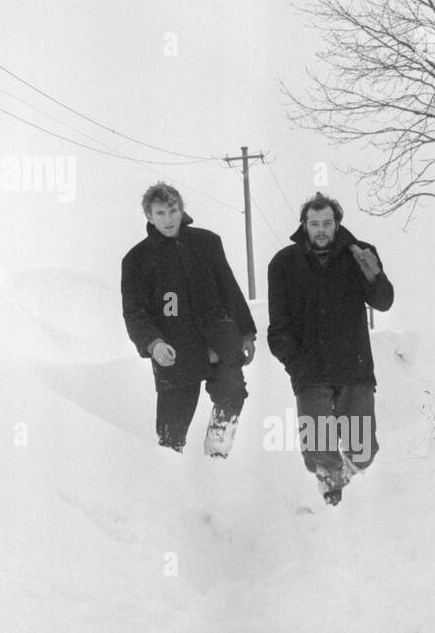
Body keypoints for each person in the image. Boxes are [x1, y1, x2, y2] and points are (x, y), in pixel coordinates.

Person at [266, 192, 394, 505]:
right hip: (310, 370)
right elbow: (278, 325)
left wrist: (374, 275)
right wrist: (294, 363)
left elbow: (384, 301)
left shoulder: (358, 254)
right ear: (304, 226)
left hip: (354, 366)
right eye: (314, 223)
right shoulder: (284, 264)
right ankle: (330, 495)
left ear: (337, 224)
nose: (321, 229)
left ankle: (348, 475)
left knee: (362, 450)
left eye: (327, 223)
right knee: (318, 449)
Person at [121, 182, 257, 456]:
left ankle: (217, 458)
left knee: (232, 395)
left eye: (173, 210)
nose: (168, 219)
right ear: (148, 216)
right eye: (160, 213)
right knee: (172, 429)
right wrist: (153, 343)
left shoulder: (207, 243)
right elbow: (134, 311)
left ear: (182, 210)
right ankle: (172, 481)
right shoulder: (137, 260)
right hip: (174, 351)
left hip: (219, 341)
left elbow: (228, 288)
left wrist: (246, 333)